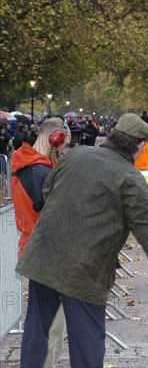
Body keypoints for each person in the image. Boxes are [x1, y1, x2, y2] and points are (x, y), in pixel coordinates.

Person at [16, 113, 148, 367]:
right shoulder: (130, 179)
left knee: (36, 336)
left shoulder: (76, 155)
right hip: (85, 270)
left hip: (44, 258)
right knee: (86, 345)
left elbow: (47, 191)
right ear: (139, 145)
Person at [11, 117, 70, 368]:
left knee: (42, 320)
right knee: (50, 324)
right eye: (64, 143)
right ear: (54, 138)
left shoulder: (26, 164)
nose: (65, 149)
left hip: (37, 249)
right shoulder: (40, 172)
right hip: (48, 252)